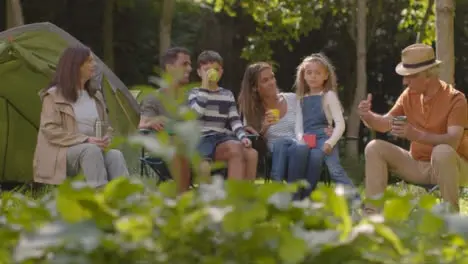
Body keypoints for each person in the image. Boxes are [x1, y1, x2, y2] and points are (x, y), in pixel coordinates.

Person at [359, 43, 468, 213]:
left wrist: (415, 134)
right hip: (418, 164)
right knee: (374, 147)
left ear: (428, 75)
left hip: (453, 166)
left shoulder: (456, 99)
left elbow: (452, 141)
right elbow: (384, 123)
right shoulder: (409, 95)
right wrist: (368, 116)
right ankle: (373, 217)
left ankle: (450, 220)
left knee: (442, 152)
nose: (404, 81)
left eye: (410, 76)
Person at [33, 45, 129, 187]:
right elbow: (50, 130)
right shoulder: (53, 96)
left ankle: (126, 200)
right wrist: (86, 140)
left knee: (115, 155)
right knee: (91, 150)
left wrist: (106, 137)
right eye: (89, 61)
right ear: (75, 66)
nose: (94, 65)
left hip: (92, 150)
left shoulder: (95, 96)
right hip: (61, 154)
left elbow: (105, 126)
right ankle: (99, 199)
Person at [188, 50, 258, 180]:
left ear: (221, 72)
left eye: (215, 69)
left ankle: (242, 196)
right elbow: (195, 115)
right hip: (201, 139)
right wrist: (204, 87)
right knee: (204, 166)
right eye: (206, 69)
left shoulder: (227, 94)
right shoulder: (194, 93)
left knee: (247, 151)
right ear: (199, 72)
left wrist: (243, 137)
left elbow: (234, 121)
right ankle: (211, 197)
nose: (211, 72)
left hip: (221, 138)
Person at [295, 53, 356, 197]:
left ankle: (356, 200)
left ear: (326, 75)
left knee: (335, 170)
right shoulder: (301, 99)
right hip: (308, 139)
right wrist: (301, 140)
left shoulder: (329, 96)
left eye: (317, 73)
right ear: (303, 75)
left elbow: (340, 124)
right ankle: (305, 200)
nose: (313, 76)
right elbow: (298, 125)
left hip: (325, 138)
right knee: (311, 167)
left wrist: (330, 142)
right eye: (309, 73)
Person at [238, 62, 310, 184]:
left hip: (297, 148)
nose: (271, 82)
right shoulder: (251, 112)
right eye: (265, 80)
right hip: (275, 153)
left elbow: (307, 125)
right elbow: (254, 144)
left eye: (272, 77)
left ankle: (285, 190)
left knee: (297, 149)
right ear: (255, 87)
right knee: (284, 144)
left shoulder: (293, 99)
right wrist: (264, 128)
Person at [139, 46, 197, 193]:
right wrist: (152, 122)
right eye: (184, 64)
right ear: (170, 68)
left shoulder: (194, 97)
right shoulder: (154, 98)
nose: (190, 68)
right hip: (164, 150)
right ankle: (183, 200)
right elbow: (142, 123)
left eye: (190, 64)